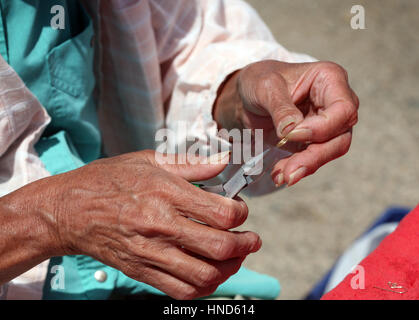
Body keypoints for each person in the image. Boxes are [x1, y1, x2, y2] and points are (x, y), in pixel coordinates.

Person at [0, 0, 358, 299]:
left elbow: (184, 32)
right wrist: (54, 218)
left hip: (127, 267)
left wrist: (232, 97)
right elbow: (61, 218)